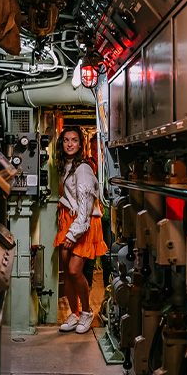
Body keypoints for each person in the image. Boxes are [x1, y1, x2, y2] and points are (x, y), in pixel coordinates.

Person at [53, 126, 108, 334]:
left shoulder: (83, 168)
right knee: (67, 272)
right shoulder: (65, 165)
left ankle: (87, 312)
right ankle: (74, 314)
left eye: (74, 140)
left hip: (83, 224)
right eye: (66, 140)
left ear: (80, 144)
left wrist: (72, 233)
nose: (69, 144)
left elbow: (85, 208)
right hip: (69, 220)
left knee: (75, 270)